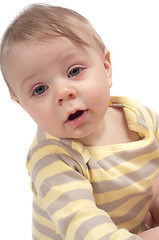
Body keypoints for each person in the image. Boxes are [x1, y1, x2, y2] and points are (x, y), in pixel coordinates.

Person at [0, 3, 159, 240]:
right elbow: (88, 233)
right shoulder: (53, 159)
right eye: (40, 89)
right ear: (23, 106)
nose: (63, 92)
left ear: (106, 68)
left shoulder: (139, 118)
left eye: (74, 71)